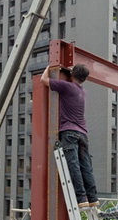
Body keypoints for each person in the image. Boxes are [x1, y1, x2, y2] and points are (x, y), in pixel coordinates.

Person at [40, 64, 99, 208]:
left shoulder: (67, 87)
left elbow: (43, 80)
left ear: (73, 75)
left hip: (69, 131)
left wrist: (49, 67)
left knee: (73, 165)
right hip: (83, 133)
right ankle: (93, 197)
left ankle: (81, 198)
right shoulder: (83, 91)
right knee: (86, 166)